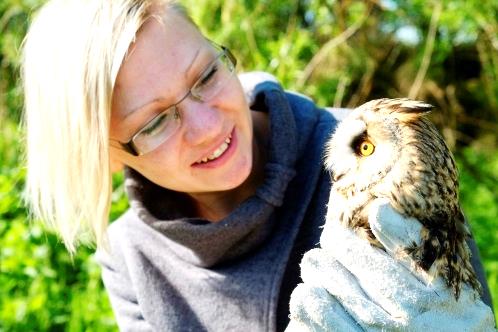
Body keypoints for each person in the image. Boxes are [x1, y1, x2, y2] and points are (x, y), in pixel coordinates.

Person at [22, 0, 495, 331]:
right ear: (107, 153)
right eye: (155, 122)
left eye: (206, 75)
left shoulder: (375, 154)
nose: (207, 127)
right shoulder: (131, 258)